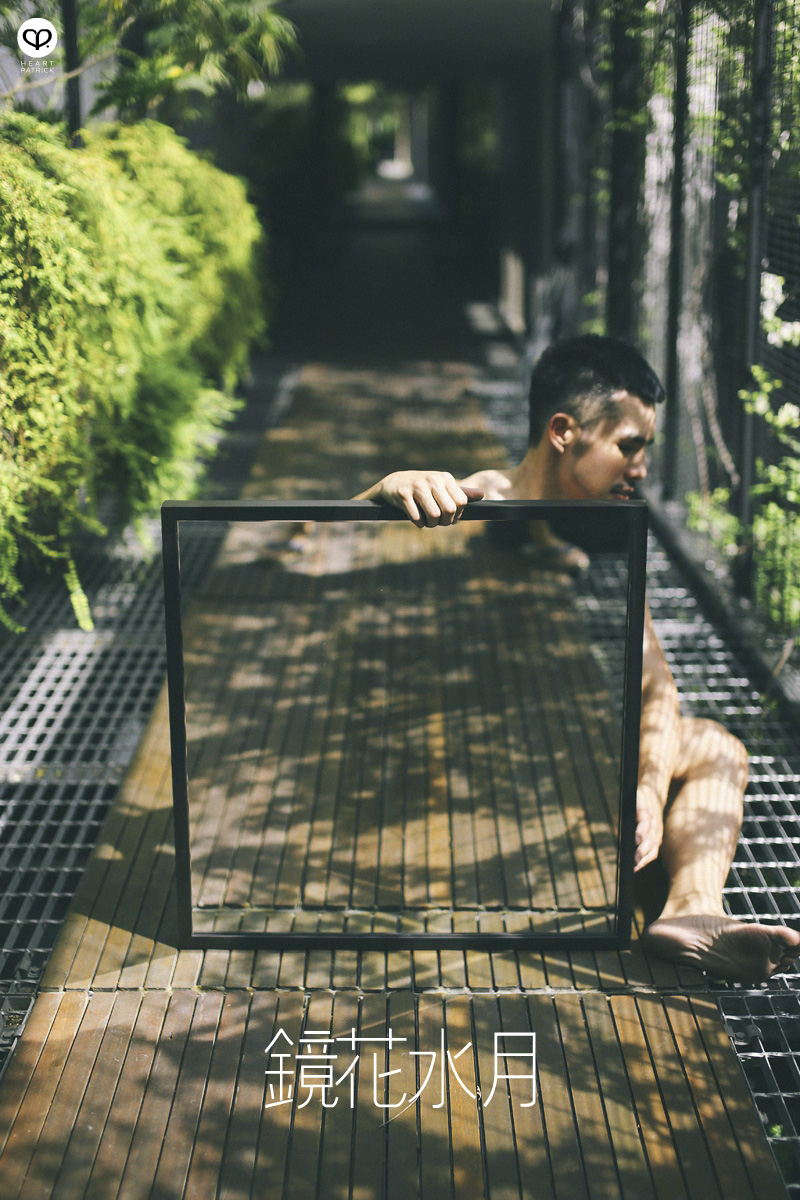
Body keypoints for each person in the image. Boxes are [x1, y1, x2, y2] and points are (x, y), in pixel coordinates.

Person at [354, 334, 800, 983]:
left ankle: (693, 910)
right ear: (565, 431)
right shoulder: (475, 505)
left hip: (560, 752)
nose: (642, 466)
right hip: (465, 761)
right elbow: (307, 559)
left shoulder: (607, 527)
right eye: (629, 445)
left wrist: (648, 784)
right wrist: (382, 492)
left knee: (714, 745)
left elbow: (655, 685)